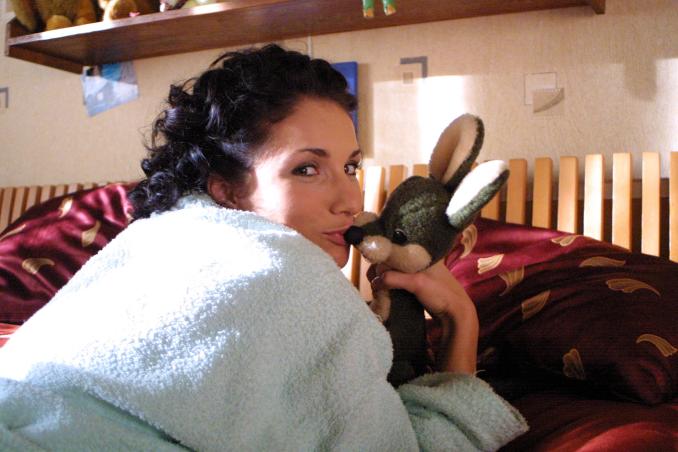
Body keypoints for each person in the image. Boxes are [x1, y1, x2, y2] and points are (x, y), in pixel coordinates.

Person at [0, 44, 527, 451]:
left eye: (350, 166)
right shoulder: (287, 277)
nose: (350, 199)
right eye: (307, 169)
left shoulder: (159, 241)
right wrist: (460, 320)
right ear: (227, 190)